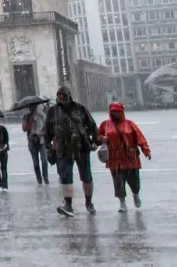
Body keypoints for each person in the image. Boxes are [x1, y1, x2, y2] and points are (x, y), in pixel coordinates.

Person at [44, 85, 99, 216]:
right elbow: (47, 130)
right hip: (63, 148)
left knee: (86, 176)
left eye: (64, 96)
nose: (61, 98)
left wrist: (95, 141)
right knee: (66, 177)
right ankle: (68, 205)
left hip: (81, 147)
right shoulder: (53, 111)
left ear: (69, 96)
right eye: (59, 96)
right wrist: (49, 147)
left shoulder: (80, 109)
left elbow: (92, 125)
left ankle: (89, 203)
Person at [97, 101, 151, 211]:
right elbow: (97, 136)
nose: (115, 114)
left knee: (134, 180)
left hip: (131, 159)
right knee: (118, 182)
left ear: (122, 112)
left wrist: (146, 151)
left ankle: (135, 194)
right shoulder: (105, 125)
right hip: (114, 160)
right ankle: (122, 202)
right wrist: (101, 139)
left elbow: (140, 138)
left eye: (118, 111)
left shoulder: (129, 124)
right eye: (113, 112)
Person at [22, 102, 50, 185]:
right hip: (32, 142)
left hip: (41, 140)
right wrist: (30, 121)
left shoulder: (41, 116)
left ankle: (45, 177)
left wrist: (41, 134)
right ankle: (39, 178)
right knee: (35, 162)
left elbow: (47, 127)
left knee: (44, 160)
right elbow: (24, 129)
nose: (33, 109)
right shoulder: (27, 117)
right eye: (32, 108)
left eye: (35, 107)